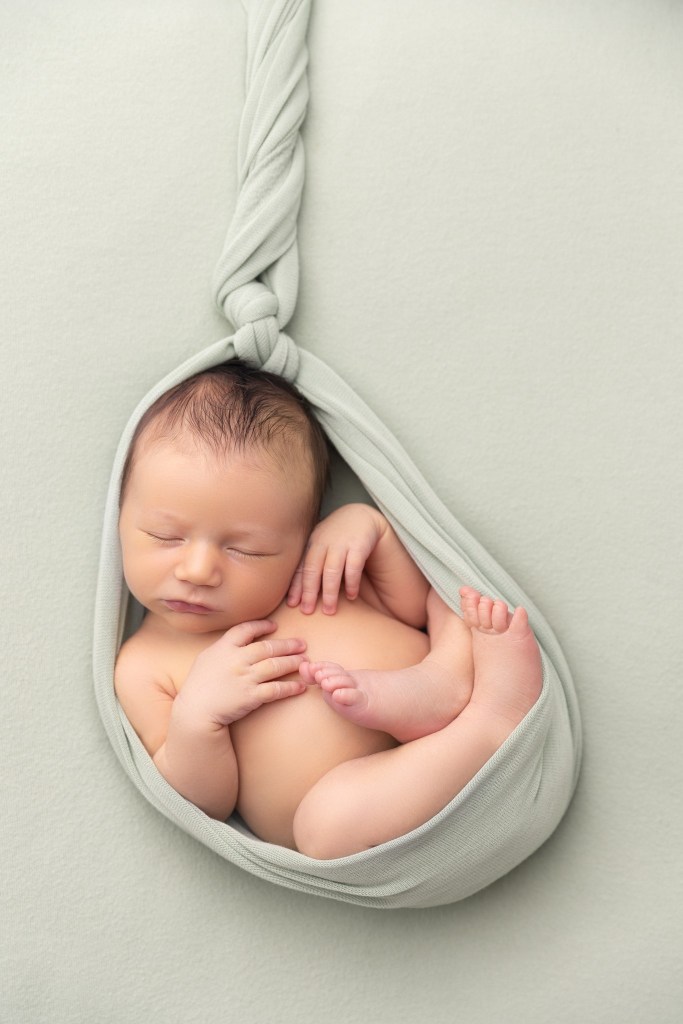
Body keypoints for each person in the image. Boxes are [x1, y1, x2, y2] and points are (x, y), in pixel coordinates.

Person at [115, 360, 543, 859]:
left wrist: (369, 530)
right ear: (120, 518)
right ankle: (491, 720)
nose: (197, 569)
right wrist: (195, 718)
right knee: (326, 824)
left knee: (448, 595)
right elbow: (202, 803)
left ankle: (442, 677)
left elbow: (407, 606)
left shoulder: (314, 575)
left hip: (441, 703)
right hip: (379, 812)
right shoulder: (144, 665)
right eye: (165, 537)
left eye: (246, 549)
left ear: (302, 536)